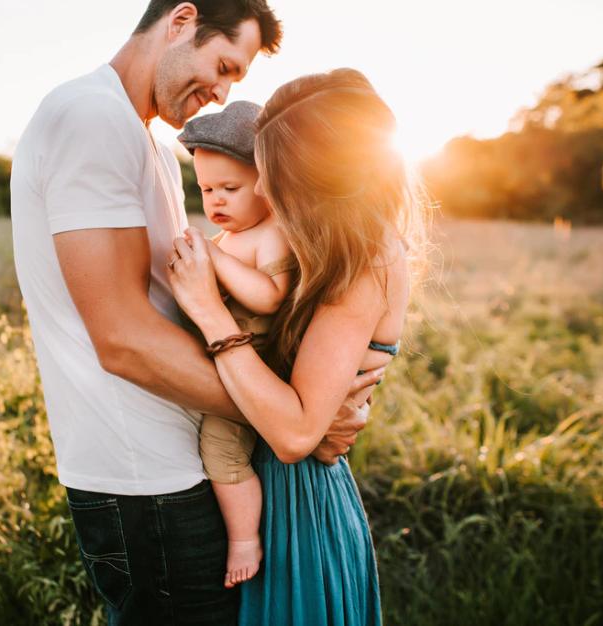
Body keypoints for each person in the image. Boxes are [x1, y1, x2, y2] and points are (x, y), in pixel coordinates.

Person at [10, 2, 388, 624]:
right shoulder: (90, 118)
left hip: (185, 463)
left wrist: (305, 403)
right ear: (181, 20)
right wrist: (297, 420)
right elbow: (124, 339)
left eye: (234, 81)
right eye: (223, 65)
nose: (220, 94)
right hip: (146, 479)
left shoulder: (152, 147)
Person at [167, 68, 428, 625]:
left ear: (324, 176)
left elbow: (294, 434)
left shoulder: (365, 260)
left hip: (298, 505)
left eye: (275, 173)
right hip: (269, 486)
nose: (262, 188)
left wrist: (211, 313)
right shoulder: (323, 246)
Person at [177, 100, 295, 588]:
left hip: (253, 374)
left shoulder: (272, 234)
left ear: (267, 185)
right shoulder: (230, 237)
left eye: (230, 188)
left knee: (220, 450)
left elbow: (270, 297)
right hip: (222, 364)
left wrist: (214, 260)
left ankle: (244, 538)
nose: (216, 202)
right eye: (206, 190)